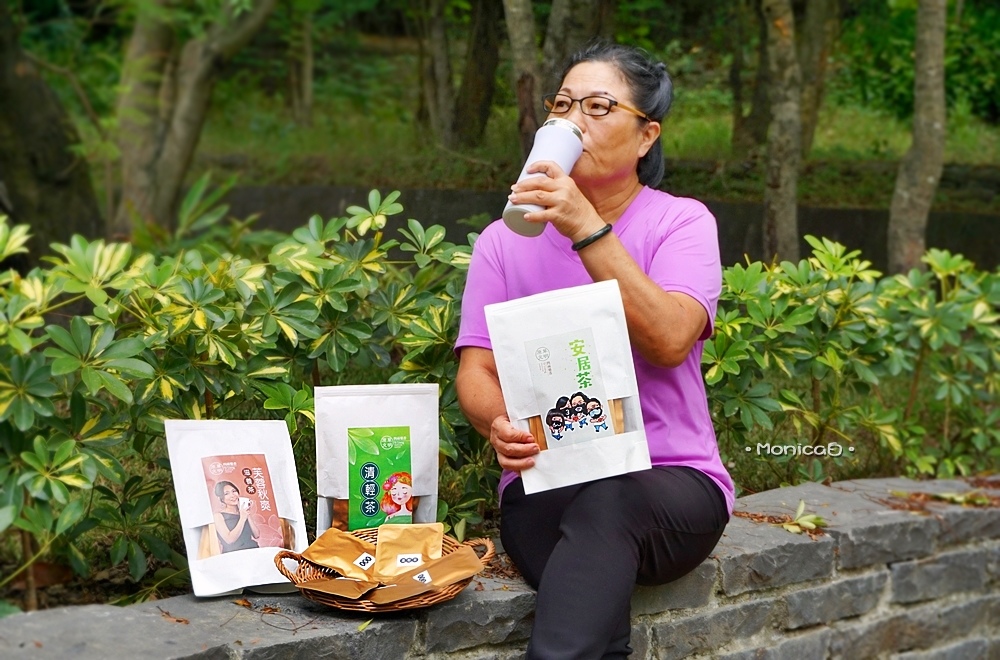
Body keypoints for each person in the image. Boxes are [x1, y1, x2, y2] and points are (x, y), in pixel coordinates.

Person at [455, 41, 734, 659]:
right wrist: (496, 420)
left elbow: (668, 340)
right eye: (562, 104)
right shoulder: (503, 241)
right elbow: (476, 368)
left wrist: (586, 227)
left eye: (600, 106)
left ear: (645, 137)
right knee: (592, 564)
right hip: (544, 482)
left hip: (670, 482)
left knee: (611, 501)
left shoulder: (682, 223)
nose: (574, 120)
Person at [213, 480, 261, 553]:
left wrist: (247, 514)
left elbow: (256, 535)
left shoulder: (242, 512)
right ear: (221, 498)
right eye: (226, 493)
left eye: (234, 491)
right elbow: (229, 540)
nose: (232, 495)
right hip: (234, 555)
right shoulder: (218, 516)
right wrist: (242, 518)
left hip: (253, 550)